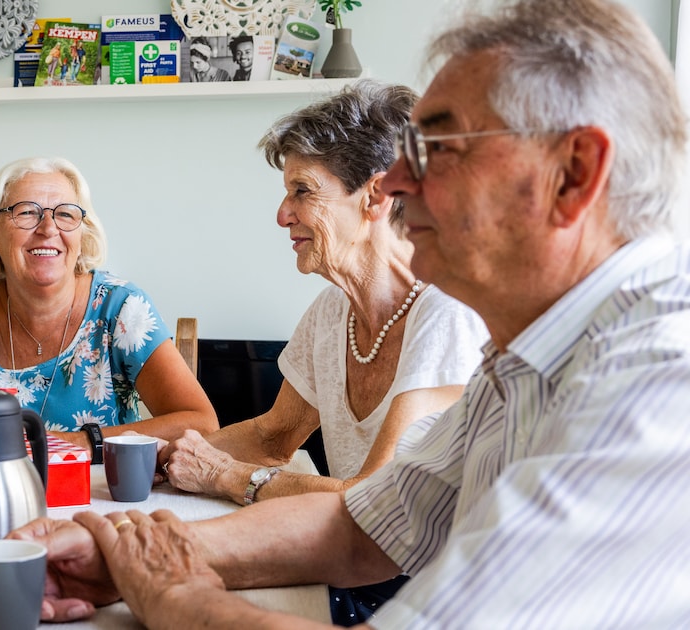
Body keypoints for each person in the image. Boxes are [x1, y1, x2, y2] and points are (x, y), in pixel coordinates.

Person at [9, 0, 690, 626]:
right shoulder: (524, 358)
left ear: (573, 173)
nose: (397, 185)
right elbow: (368, 525)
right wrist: (125, 552)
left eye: (436, 150)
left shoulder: (656, 383)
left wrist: (176, 593)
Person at [158, 79, 487, 624]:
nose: (282, 214)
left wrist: (224, 475)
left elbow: (371, 499)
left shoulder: (447, 311)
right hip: (357, 567)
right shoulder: (332, 312)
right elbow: (273, 436)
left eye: (303, 191)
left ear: (376, 195)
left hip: (427, 596)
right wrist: (161, 459)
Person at [0, 157, 217, 453]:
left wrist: (78, 442)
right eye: (26, 212)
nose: (48, 229)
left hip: (100, 496)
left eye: (65, 214)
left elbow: (201, 425)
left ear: (82, 234)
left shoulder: (120, 309)